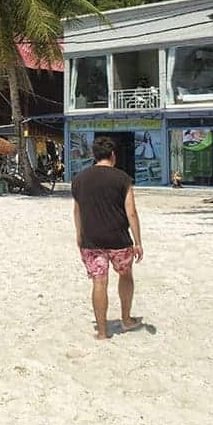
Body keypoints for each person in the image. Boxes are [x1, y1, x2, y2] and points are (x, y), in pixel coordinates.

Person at [71, 135, 144, 340]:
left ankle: (102, 332)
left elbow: (76, 211)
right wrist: (138, 241)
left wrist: (79, 235)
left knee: (99, 282)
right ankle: (126, 319)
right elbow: (131, 212)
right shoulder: (123, 179)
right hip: (119, 239)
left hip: (91, 239)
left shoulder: (79, 179)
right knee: (125, 275)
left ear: (95, 155)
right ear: (113, 155)